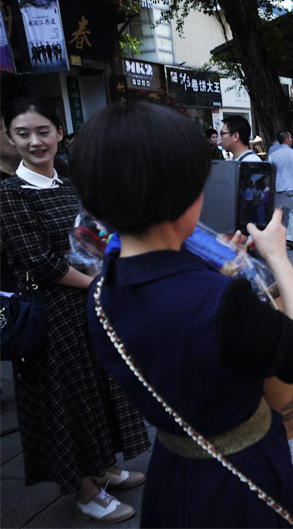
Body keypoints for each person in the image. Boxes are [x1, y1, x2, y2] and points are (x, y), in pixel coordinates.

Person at [70, 101, 293, 527]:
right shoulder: (222, 299)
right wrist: (278, 258)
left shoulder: (101, 291)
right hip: (243, 474)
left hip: (173, 469)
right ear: (187, 192)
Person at [1, 99, 150, 523]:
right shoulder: (11, 194)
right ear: (10, 139)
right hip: (51, 318)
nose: (35, 141)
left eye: (43, 131)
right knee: (68, 400)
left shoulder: (69, 184)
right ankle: (85, 490)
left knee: (99, 390)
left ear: (60, 132)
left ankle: (102, 466)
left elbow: (94, 236)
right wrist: (98, 283)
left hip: (89, 305)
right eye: (23, 133)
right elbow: (39, 261)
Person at [269, 130, 293, 250]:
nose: (292, 139)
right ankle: (290, 237)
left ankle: (285, 235)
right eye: (291, 138)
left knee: (282, 213)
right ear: (287, 139)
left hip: (279, 187)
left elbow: (270, 174)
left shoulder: (273, 155)